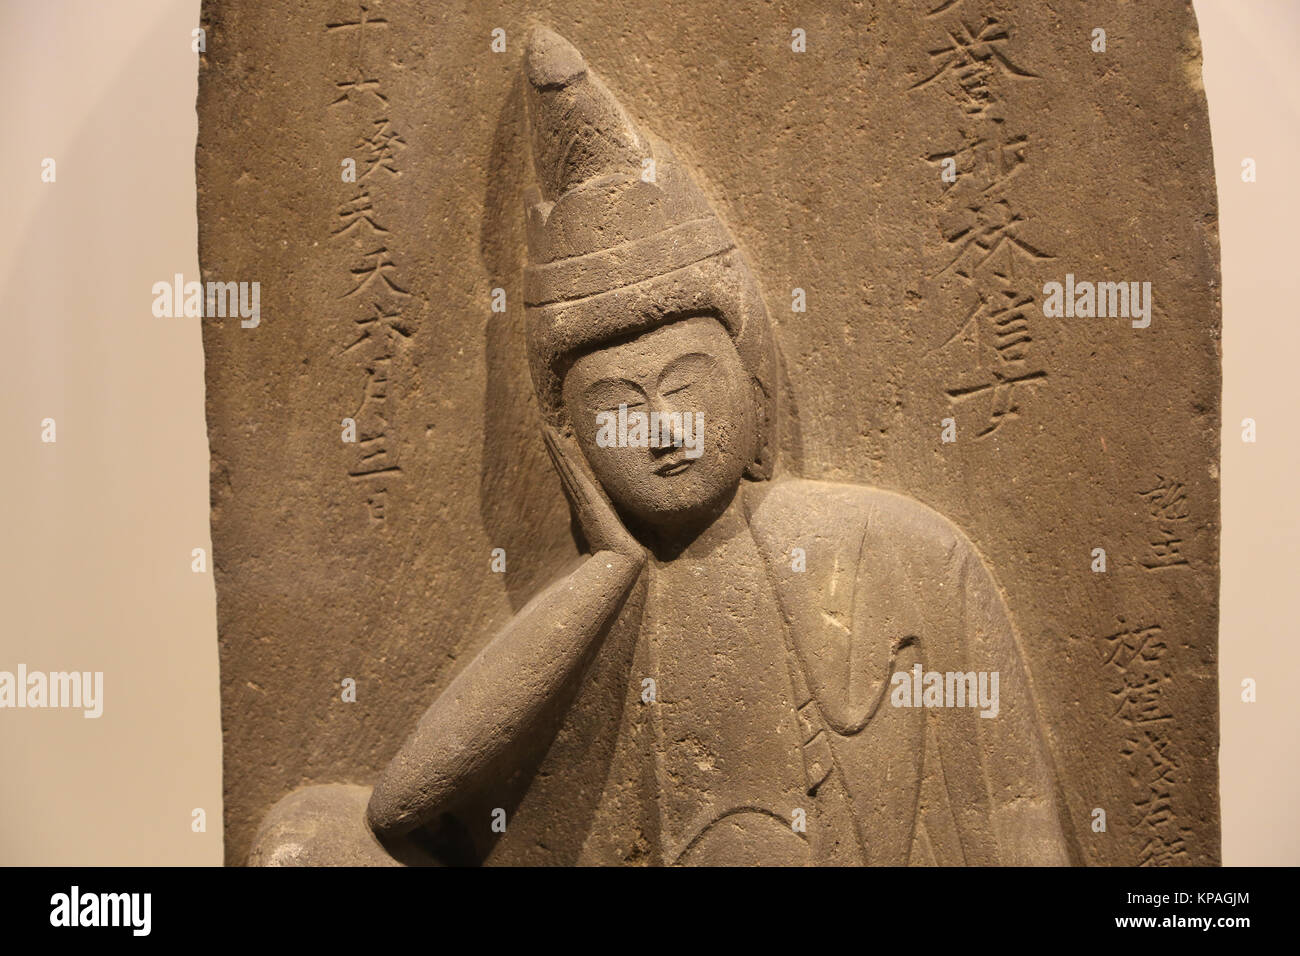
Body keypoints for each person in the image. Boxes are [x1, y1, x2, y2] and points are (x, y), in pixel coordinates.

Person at [249, 27, 1073, 867]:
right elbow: (396, 810)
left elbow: (1018, 821)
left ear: (753, 382)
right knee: (309, 834)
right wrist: (606, 570)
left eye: (686, 386)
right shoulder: (591, 620)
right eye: (617, 407)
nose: (665, 431)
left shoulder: (901, 557)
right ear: (567, 442)